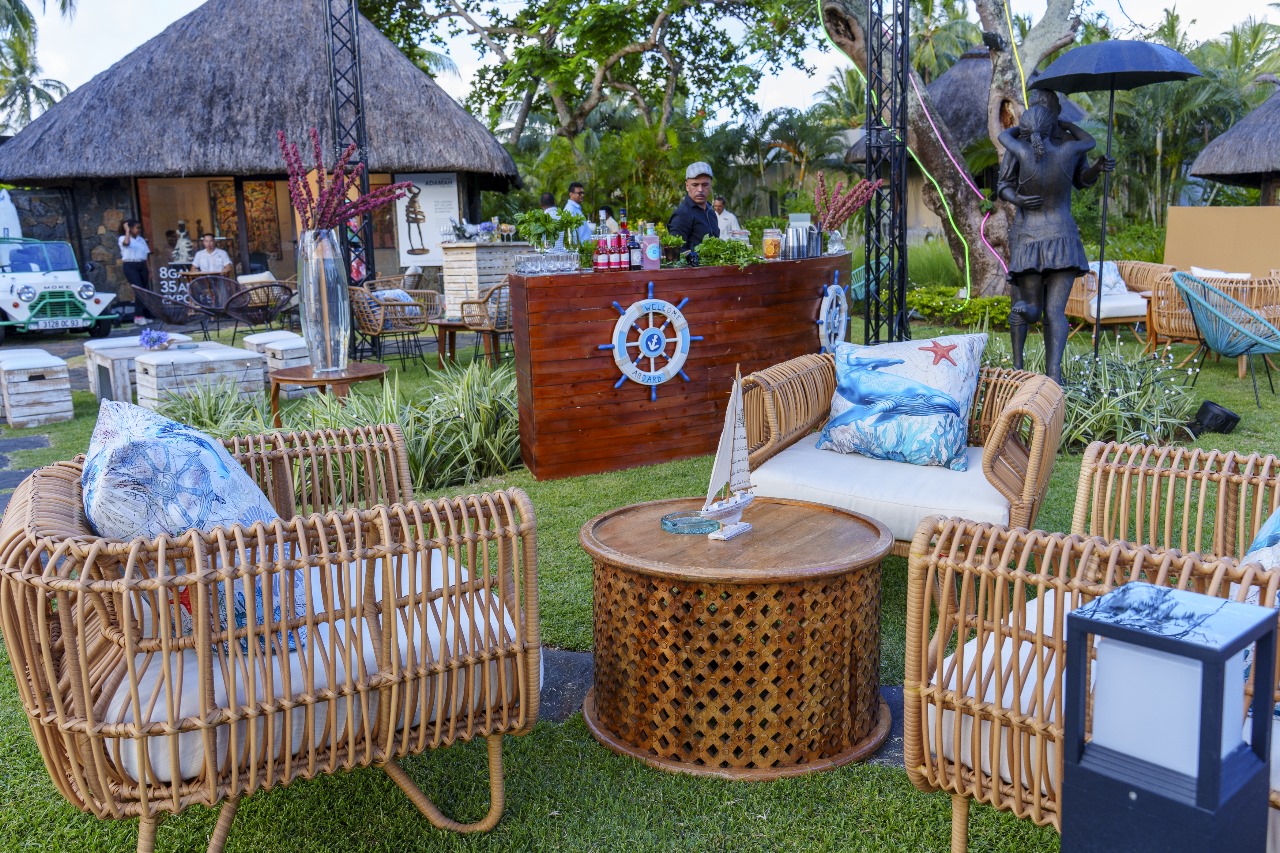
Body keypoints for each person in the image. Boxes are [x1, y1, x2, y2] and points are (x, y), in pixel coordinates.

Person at [997, 103, 1114, 385]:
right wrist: (1063, 125)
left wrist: (1096, 168)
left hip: (1032, 238)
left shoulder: (1022, 148)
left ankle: (1029, 336)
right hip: (1061, 237)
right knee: (1055, 311)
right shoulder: (1068, 146)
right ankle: (1053, 376)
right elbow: (1089, 142)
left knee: (1032, 305)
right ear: (1054, 118)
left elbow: (1081, 179)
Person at [667, 162, 720, 253]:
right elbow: (675, 253)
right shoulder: (682, 214)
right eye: (695, 185)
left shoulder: (710, 211)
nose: (700, 190)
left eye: (705, 185)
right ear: (687, 186)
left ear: (710, 185)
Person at [118, 219, 153, 323]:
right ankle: (138, 316)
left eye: (139, 228)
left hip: (142, 264)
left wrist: (149, 270)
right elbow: (127, 243)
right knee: (138, 289)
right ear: (131, 228)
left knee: (144, 290)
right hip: (130, 265)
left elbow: (146, 255)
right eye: (136, 228)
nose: (138, 230)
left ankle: (145, 314)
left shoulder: (141, 240)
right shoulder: (122, 238)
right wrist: (127, 230)